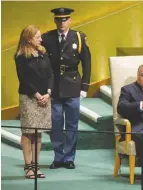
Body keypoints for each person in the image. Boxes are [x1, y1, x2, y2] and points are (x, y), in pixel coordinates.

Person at [42, 7, 91, 169]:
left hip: (73, 85)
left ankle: (69, 157)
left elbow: (87, 63)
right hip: (54, 86)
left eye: (65, 19)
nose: (62, 23)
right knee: (56, 124)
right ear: (55, 20)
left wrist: (85, 86)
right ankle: (58, 157)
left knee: (72, 124)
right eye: (59, 20)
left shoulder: (79, 37)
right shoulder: (47, 38)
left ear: (70, 20)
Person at [15, 25, 54, 179]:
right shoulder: (21, 56)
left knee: (38, 133)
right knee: (28, 132)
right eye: (38, 37)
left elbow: (51, 74)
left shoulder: (43, 53)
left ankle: (36, 166)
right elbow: (24, 79)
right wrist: (37, 95)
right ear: (29, 39)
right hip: (29, 97)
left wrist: (48, 93)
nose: (41, 39)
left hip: (45, 96)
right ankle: (28, 166)